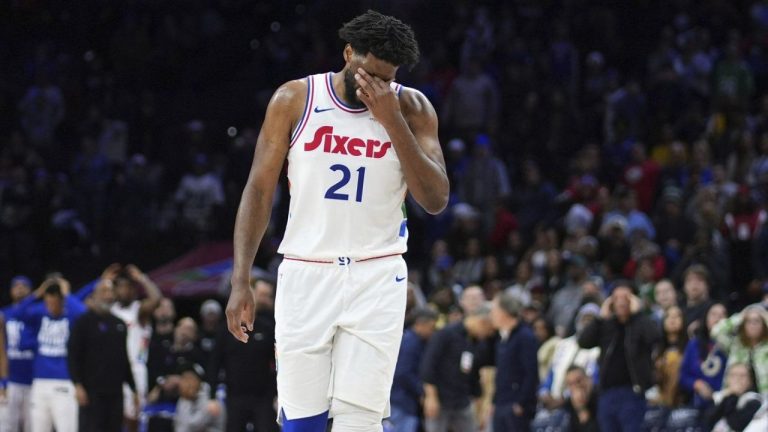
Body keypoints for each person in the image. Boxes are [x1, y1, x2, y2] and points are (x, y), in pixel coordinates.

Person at [225, 10, 449, 432]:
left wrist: (391, 119)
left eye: (385, 78)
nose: (375, 87)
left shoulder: (412, 107)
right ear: (349, 53)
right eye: (369, 74)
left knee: (360, 423)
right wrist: (241, 280)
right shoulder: (295, 99)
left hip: (376, 276)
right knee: (301, 422)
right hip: (307, 273)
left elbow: (436, 199)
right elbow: (258, 191)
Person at [578, 281, 661, 432]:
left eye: (626, 297)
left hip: (632, 392)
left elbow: (654, 337)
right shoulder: (606, 325)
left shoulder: (640, 323)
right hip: (607, 393)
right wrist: (600, 317)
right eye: (616, 298)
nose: (621, 302)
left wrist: (638, 314)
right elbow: (583, 342)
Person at [68, 276, 137, 432]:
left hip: (115, 392)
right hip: (91, 392)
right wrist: (77, 385)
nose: (108, 295)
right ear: (94, 296)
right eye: (104, 291)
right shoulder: (82, 322)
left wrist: (134, 389)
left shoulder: (119, 324)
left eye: (111, 291)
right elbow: (73, 355)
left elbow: (124, 358)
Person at [209, 279, 278, 432]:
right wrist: (212, 396)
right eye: (262, 295)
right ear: (250, 293)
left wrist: (278, 393)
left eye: (268, 296)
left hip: (263, 396)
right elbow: (214, 363)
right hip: (235, 396)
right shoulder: (226, 328)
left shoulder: (268, 327)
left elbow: (278, 363)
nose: (266, 300)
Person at [21, 277, 87, 432]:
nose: (50, 305)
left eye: (54, 300)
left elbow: (83, 313)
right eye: (47, 300)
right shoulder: (40, 316)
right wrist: (37, 293)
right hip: (39, 383)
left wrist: (67, 293)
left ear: (62, 300)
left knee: (67, 428)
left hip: (63, 382)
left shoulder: (70, 317)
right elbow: (17, 312)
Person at [420, 306, 494, 432]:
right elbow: (428, 366)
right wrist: (430, 397)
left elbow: (473, 374)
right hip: (440, 399)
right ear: (482, 322)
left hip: (462, 401)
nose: (488, 335)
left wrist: (480, 407)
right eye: (488, 330)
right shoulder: (446, 334)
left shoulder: (475, 342)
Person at [110, 264, 162, 431]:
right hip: (112, 368)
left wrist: (141, 278)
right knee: (111, 416)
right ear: (115, 290)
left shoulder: (139, 310)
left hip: (135, 369)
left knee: (133, 417)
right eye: (120, 287)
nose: (124, 291)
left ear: (134, 290)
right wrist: (103, 280)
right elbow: (87, 304)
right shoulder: (109, 310)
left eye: (128, 287)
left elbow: (156, 299)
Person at [488, 292, 539, 431]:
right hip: (501, 403)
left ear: (504, 312)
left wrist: (521, 403)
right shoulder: (501, 338)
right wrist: (494, 401)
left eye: (494, 310)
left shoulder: (525, 337)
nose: (491, 315)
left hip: (515, 405)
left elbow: (531, 373)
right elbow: (501, 373)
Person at [388, 307, 438, 432]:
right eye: (431, 327)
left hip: (406, 401)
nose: (432, 331)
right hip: (401, 401)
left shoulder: (418, 341)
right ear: (420, 324)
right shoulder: (410, 342)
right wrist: (422, 391)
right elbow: (403, 373)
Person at [0, 276, 36, 432]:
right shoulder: (4, 314)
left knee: (32, 427)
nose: (20, 288)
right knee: (7, 426)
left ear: (31, 291)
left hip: (34, 380)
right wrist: (3, 380)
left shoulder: (38, 313)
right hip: (11, 380)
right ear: (10, 291)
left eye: (24, 286)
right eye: (16, 286)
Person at [679, 302, 728, 410]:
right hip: (698, 403)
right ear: (706, 318)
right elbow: (683, 376)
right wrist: (697, 384)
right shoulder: (694, 344)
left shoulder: (733, 344)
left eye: (722, 315)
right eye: (713, 314)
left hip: (725, 403)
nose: (717, 319)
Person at [711, 304, 768, 394]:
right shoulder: (736, 345)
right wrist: (740, 316)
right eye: (748, 321)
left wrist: (765, 316)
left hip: (764, 400)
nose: (753, 325)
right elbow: (715, 331)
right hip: (735, 396)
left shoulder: (766, 348)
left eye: (757, 321)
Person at [706, 363, 767, 432]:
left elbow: (736, 424)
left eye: (742, 376)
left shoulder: (755, 400)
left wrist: (733, 395)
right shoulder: (721, 396)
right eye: (733, 375)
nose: (737, 379)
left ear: (750, 381)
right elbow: (708, 422)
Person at [174, 363, 224, 432]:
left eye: (190, 380)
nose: (186, 385)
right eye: (184, 380)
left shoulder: (209, 395)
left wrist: (186, 401)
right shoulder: (185, 397)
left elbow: (195, 424)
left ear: (197, 381)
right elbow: (179, 425)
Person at [563, 366, 599, 432]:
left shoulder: (601, 399)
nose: (576, 387)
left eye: (579, 381)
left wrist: (582, 410)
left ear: (589, 380)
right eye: (571, 384)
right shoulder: (570, 406)